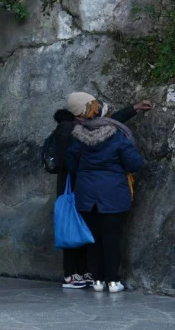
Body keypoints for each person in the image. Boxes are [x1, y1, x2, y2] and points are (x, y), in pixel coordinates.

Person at [52, 93, 152, 289]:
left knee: (94, 239)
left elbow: (71, 163)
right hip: (113, 194)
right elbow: (134, 163)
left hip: (87, 196)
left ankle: (97, 280)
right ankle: (113, 281)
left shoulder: (78, 136)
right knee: (112, 239)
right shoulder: (116, 137)